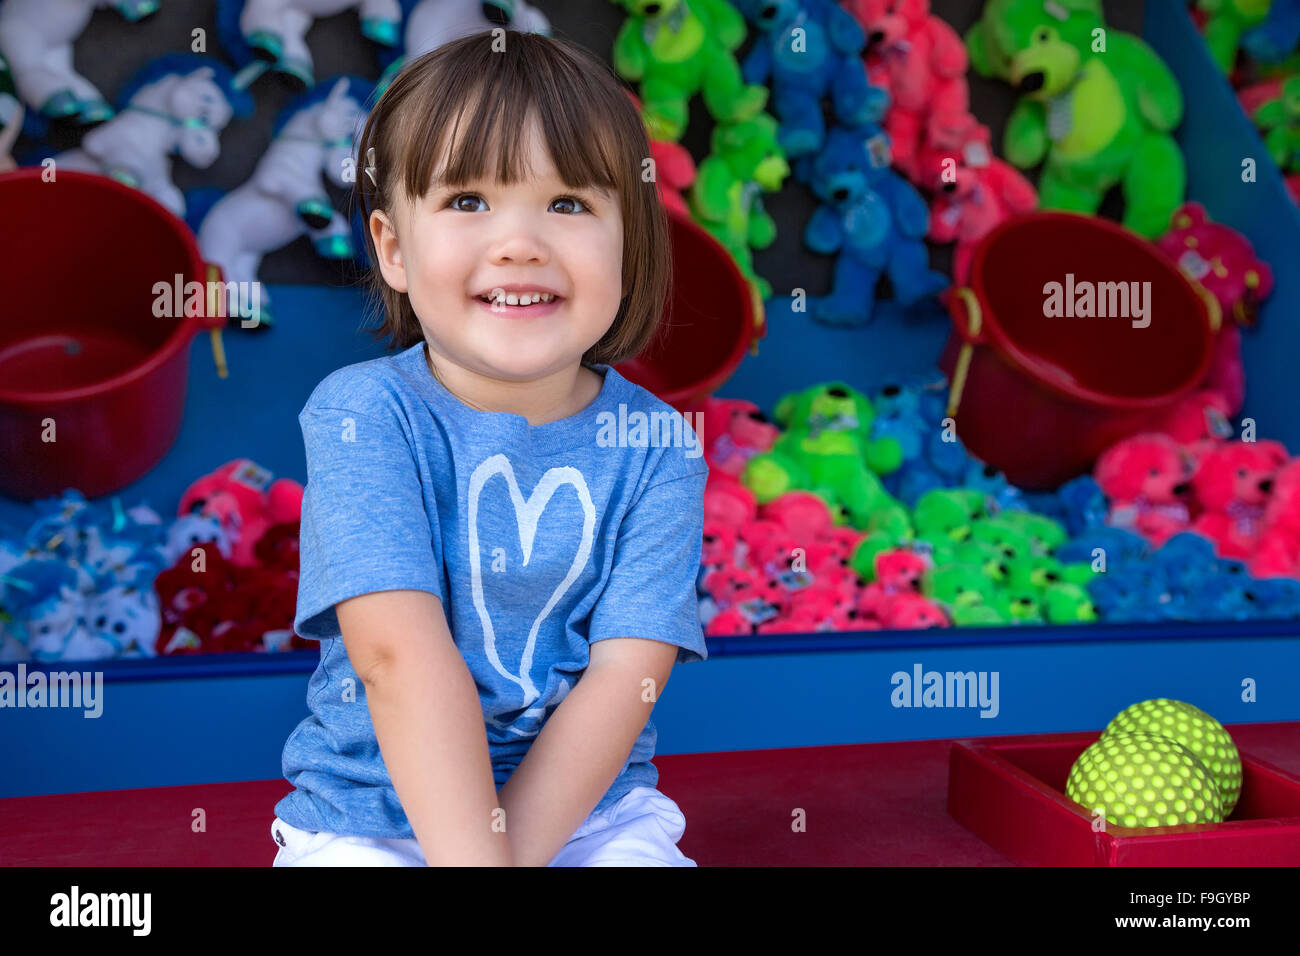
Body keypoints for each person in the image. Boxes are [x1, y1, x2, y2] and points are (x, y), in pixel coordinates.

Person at [270, 29, 710, 866]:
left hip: (590, 814)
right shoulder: (365, 413)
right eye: (468, 200)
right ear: (393, 249)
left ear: (630, 248)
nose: (520, 242)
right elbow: (398, 655)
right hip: (373, 812)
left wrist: (512, 855)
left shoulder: (657, 445)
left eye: (570, 203)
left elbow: (627, 676)